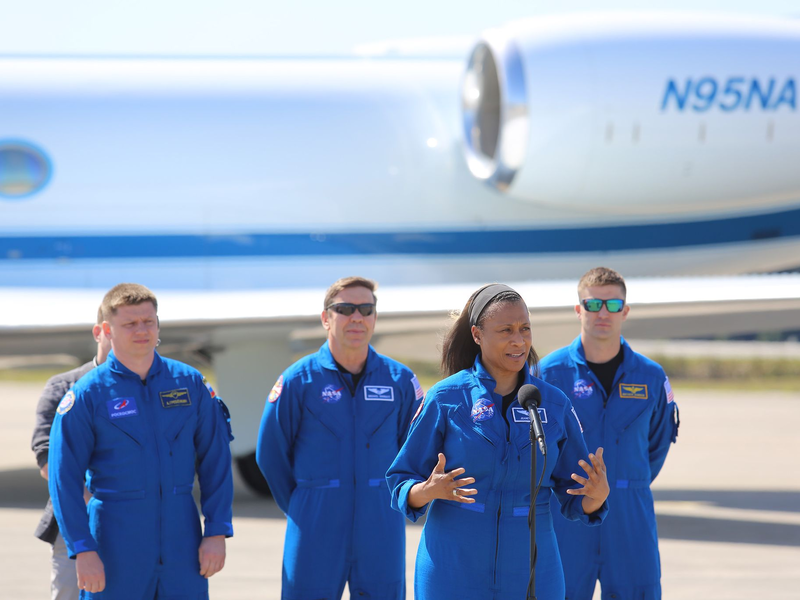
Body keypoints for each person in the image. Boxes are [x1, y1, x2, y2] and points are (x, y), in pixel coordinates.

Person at [386, 283, 610, 600]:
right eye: (506, 330)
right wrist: (427, 490)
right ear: (477, 334)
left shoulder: (554, 405)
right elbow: (400, 480)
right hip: (453, 567)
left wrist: (597, 497)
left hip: (534, 570)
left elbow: (576, 496)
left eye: (525, 329)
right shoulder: (446, 398)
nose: (518, 340)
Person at [48, 283, 234, 599]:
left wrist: (216, 530)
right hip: (114, 543)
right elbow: (63, 478)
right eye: (130, 324)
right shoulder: (87, 394)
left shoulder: (189, 384)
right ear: (107, 330)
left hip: (182, 542)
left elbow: (216, 460)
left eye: (148, 321)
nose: (142, 330)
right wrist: (83, 549)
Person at [257, 276, 423, 600]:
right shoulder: (298, 381)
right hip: (315, 523)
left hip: (381, 524)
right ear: (326, 318)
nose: (357, 317)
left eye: (366, 309)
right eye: (345, 309)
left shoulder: (400, 380)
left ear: (375, 317)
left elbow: (413, 450)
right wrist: (304, 503)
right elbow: (270, 453)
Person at [539, 267, 680, 600]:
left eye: (613, 305)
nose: (603, 313)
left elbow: (658, 444)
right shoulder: (548, 373)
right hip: (566, 516)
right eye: (593, 305)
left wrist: (628, 478)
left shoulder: (650, 376)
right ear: (578, 310)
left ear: (625, 312)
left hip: (630, 515)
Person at [31, 306, 111, 600]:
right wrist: (96, 501)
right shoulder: (64, 387)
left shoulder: (150, 386)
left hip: (134, 521)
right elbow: (47, 460)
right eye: (116, 330)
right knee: (68, 593)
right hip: (74, 522)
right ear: (100, 332)